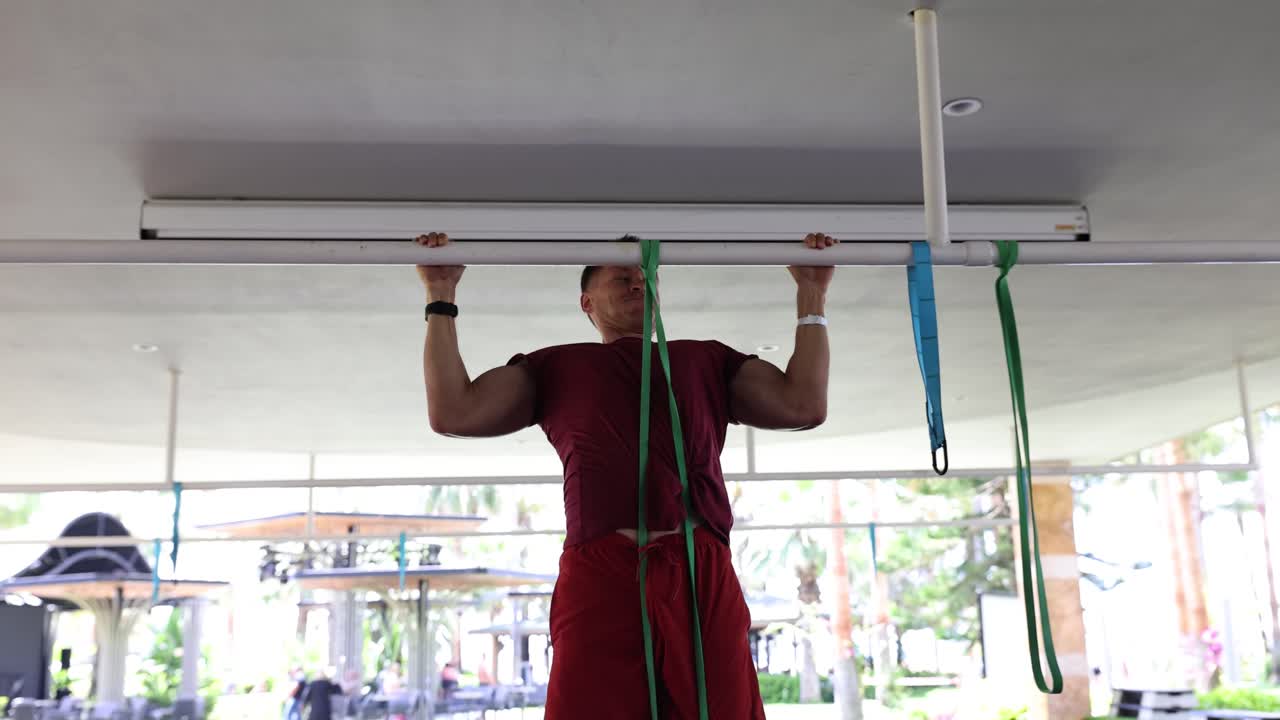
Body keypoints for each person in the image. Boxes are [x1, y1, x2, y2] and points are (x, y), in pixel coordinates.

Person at [415, 231, 836, 719]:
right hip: (601, 571)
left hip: (698, 570)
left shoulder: (706, 359)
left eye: (645, 278)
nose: (639, 284)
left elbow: (804, 404)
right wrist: (440, 295)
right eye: (622, 277)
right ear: (586, 302)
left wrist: (812, 292)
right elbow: (452, 412)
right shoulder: (556, 366)